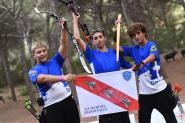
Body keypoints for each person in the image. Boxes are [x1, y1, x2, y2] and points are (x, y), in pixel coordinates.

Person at [72, 13, 131, 123]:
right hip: (104, 99)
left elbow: (131, 69)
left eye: (100, 37)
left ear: (105, 38)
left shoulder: (115, 52)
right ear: (93, 42)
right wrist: (75, 20)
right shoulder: (91, 55)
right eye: (95, 38)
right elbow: (77, 38)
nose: (98, 39)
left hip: (119, 96)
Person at [116, 22, 177, 123]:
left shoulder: (152, 45)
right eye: (133, 35)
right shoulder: (133, 50)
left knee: (170, 119)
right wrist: (117, 29)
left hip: (159, 91)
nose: (136, 37)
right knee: (143, 120)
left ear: (144, 32)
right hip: (144, 94)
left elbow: (152, 56)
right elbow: (117, 48)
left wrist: (141, 64)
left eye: (138, 33)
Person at [28, 19, 80, 123]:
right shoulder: (33, 71)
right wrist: (62, 78)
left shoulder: (55, 60)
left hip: (69, 101)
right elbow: (43, 78)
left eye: (44, 51)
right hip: (52, 107)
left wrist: (63, 28)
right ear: (34, 55)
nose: (42, 53)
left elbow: (64, 45)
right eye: (38, 52)